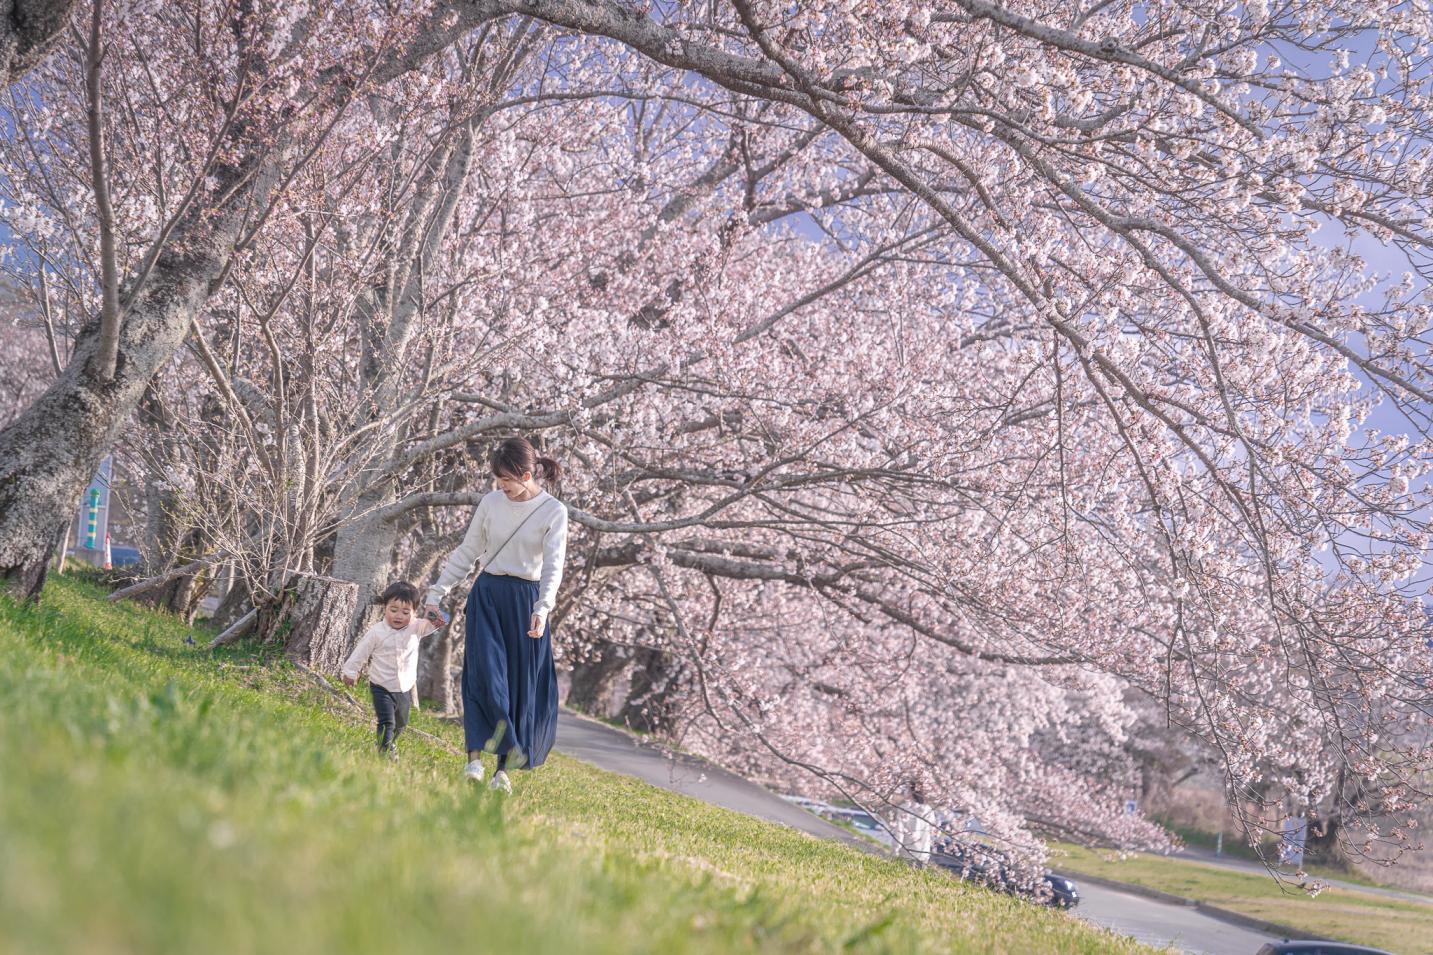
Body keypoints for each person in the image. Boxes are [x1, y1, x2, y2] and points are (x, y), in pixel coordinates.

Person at [426, 436, 568, 794]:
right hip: (487, 593)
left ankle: (502, 771)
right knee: (483, 675)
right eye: (497, 480)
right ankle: (473, 760)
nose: (500, 486)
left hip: (526, 601)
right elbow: (469, 550)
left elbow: (554, 566)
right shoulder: (491, 502)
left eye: (506, 480)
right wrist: (437, 591)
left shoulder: (553, 511)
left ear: (525, 474)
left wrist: (543, 608)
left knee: (517, 685)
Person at [340, 581, 439, 761]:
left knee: (401, 722)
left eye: (405, 612)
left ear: (414, 613)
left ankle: (389, 743)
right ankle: (383, 753)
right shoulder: (377, 632)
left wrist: (435, 610)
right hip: (381, 686)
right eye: (393, 610)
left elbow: (437, 622)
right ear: (384, 608)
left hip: (404, 687)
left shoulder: (417, 627)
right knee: (387, 721)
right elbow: (361, 652)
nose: (398, 616)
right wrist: (350, 672)